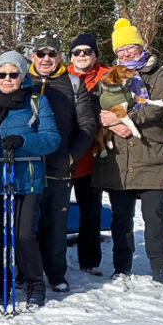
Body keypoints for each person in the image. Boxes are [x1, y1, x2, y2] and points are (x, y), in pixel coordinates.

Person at [93, 19, 163, 282]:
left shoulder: (158, 73)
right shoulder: (108, 77)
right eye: (121, 50)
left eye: (131, 48)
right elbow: (95, 108)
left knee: (154, 216)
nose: (127, 54)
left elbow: (157, 106)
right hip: (119, 158)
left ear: (142, 47)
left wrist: (122, 119)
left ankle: (160, 267)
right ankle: (122, 266)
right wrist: (112, 124)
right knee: (121, 218)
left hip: (150, 154)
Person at [0, 51, 60, 309]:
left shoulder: (37, 101)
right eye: (2, 74)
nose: (7, 79)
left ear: (22, 76)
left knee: (24, 235)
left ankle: (34, 285)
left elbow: (52, 138)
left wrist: (24, 141)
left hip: (28, 177)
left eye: (13, 74)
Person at [26, 30, 98, 293]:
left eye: (52, 54)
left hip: (59, 165)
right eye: (41, 53)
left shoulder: (73, 84)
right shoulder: (20, 79)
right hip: (26, 165)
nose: (46, 59)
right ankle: (26, 271)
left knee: (56, 224)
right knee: (25, 224)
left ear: (59, 56)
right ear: (32, 56)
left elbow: (87, 126)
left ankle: (56, 273)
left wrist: (71, 155)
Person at [65, 33, 109, 276]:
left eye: (87, 51)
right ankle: (51, 259)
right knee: (57, 210)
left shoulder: (108, 76)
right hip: (64, 157)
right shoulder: (62, 77)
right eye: (77, 52)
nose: (82, 55)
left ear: (95, 55)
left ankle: (90, 261)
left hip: (92, 157)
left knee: (90, 211)